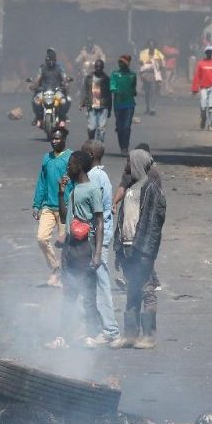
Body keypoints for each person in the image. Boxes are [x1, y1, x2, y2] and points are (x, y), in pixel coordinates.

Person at [46, 150, 103, 349]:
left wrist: (97, 254)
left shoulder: (92, 189)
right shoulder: (73, 190)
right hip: (71, 250)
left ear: (79, 166)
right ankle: (63, 336)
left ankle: (92, 334)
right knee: (69, 295)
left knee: (88, 294)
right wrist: (61, 193)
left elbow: (99, 221)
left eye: (70, 164)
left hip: (85, 248)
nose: (67, 167)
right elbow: (64, 217)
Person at [111, 148, 164, 349]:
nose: (126, 165)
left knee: (146, 289)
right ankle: (130, 334)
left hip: (141, 250)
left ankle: (149, 335)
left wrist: (145, 250)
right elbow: (122, 220)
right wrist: (119, 248)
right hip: (127, 248)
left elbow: (153, 224)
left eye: (128, 161)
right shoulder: (132, 186)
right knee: (132, 290)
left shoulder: (151, 189)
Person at [83, 141, 120, 345]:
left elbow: (96, 212)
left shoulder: (95, 177)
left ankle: (110, 330)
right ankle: (100, 327)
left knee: (101, 282)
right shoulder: (100, 176)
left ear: (90, 155)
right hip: (99, 236)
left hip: (97, 237)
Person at [32, 126, 71, 288]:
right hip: (48, 205)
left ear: (64, 139)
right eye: (52, 138)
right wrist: (36, 204)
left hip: (65, 206)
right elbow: (42, 182)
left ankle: (65, 275)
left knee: (64, 243)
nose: (55, 141)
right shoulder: (46, 158)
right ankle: (55, 267)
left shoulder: (70, 157)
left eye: (58, 138)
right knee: (41, 238)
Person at [32, 49, 71, 128]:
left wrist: (65, 84)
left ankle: (62, 119)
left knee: (64, 101)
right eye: (49, 59)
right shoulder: (42, 68)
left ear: (55, 60)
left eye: (52, 59)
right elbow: (38, 79)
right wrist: (35, 85)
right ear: (46, 60)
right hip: (44, 90)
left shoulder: (60, 68)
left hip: (57, 90)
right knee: (36, 101)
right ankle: (39, 118)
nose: (51, 62)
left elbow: (64, 78)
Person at [191, 46, 212, 130]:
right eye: (207, 53)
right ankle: (203, 118)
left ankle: (210, 125)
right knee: (203, 106)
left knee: (211, 107)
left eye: (210, 53)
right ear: (205, 54)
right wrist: (195, 90)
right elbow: (197, 77)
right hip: (203, 88)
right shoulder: (201, 64)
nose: (209, 54)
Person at [109, 55, 137, 156]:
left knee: (126, 127)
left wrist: (131, 92)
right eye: (120, 62)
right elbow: (112, 86)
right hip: (118, 104)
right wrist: (116, 90)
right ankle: (122, 146)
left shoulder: (132, 75)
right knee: (120, 127)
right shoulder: (115, 74)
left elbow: (134, 89)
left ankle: (125, 147)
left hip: (129, 104)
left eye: (123, 63)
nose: (121, 64)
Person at [81, 59, 111, 142]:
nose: (98, 68)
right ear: (94, 67)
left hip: (103, 105)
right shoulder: (89, 78)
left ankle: (99, 145)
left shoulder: (106, 79)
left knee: (101, 128)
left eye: (100, 67)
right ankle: (90, 141)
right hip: (92, 105)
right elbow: (85, 90)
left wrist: (110, 109)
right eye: (97, 67)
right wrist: (82, 102)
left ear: (103, 68)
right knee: (91, 127)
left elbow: (109, 94)